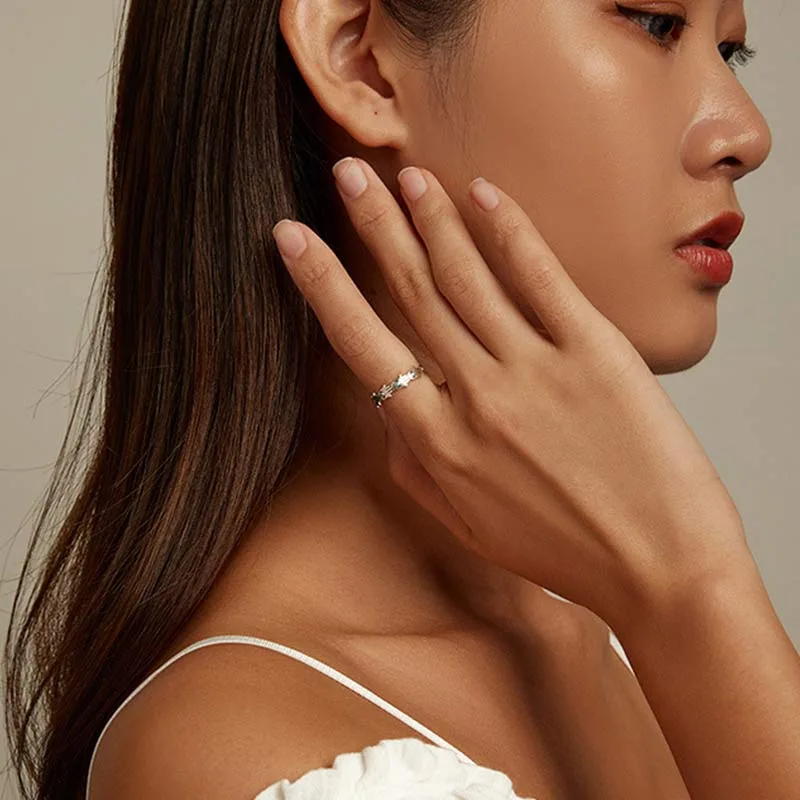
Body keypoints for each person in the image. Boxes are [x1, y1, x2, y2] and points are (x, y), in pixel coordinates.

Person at [5, 0, 798, 798]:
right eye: (655, 21)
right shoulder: (257, 757)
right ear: (359, 58)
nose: (748, 133)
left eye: (730, 53)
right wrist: (692, 586)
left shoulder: (625, 632)